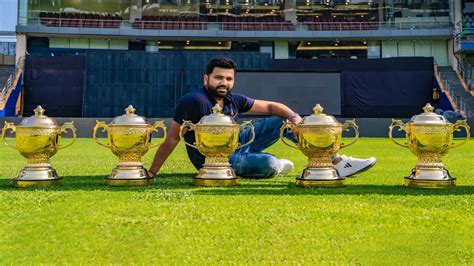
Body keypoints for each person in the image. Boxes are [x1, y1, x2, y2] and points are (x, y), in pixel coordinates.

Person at [147, 58, 376, 178]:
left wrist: (296, 119)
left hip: (237, 144)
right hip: (213, 160)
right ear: (206, 78)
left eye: (228, 78)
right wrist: (152, 171)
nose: (224, 83)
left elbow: (271, 106)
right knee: (268, 164)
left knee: (282, 119)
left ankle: (336, 162)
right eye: (218, 78)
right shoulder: (194, 100)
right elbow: (173, 139)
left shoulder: (232, 99)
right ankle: (272, 165)